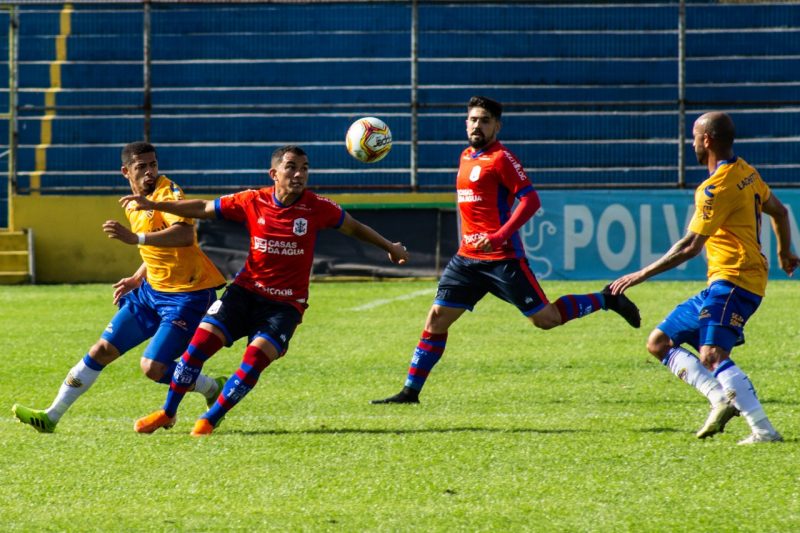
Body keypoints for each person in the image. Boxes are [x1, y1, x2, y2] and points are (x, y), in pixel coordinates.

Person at [124, 145, 409, 437]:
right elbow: (205, 208)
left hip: (284, 307)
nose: (299, 174)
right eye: (291, 167)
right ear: (274, 174)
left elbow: (353, 227)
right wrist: (158, 206)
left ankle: (209, 420)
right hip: (244, 293)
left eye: (305, 168)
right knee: (197, 348)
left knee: (254, 360)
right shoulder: (253, 200)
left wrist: (390, 247)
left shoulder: (318, 207)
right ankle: (168, 413)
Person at [371, 96, 641, 405]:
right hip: (467, 260)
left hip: (503, 259)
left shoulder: (501, 158)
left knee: (546, 319)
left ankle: (607, 299)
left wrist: (500, 235)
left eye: (485, 120)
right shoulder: (465, 156)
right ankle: (410, 392)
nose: (477, 125)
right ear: (466, 123)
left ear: (497, 126)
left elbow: (530, 200)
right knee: (436, 319)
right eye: (473, 119)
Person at [609, 112, 799, 444]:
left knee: (711, 354)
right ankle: (720, 398)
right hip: (725, 281)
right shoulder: (746, 172)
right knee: (659, 343)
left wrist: (641, 273)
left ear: (706, 140)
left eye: (694, 136)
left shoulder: (715, 187)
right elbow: (780, 212)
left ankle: (763, 430)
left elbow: (690, 246)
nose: (691, 143)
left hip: (735, 278)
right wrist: (786, 252)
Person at [12, 141, 227, 433]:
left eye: (153, 165)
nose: (150, 172)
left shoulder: (167, 193)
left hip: (188, 295)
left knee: (154, 368)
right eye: (142, 167)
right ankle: (51, 416)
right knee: (101, 350)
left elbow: (184, 235)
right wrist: (138, 277)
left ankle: (212, 386)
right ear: (126, 171)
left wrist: (134, 239)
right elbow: (156, 246)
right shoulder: (132, 203)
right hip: (151, 291)